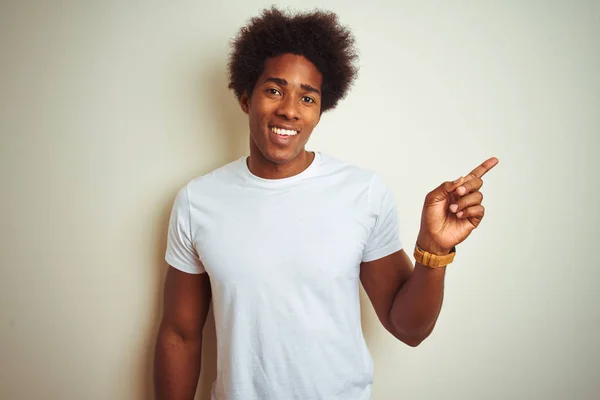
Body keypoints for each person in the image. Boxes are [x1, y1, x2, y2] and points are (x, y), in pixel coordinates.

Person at [153, 6, 498, 400]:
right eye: (274, 90)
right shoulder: (199, 201)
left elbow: (409, 329)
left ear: (320, 111)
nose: (289, 109)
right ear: (246, 98)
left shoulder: (361, 192)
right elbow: (179, 334)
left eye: (307, 98)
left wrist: (433, 252)